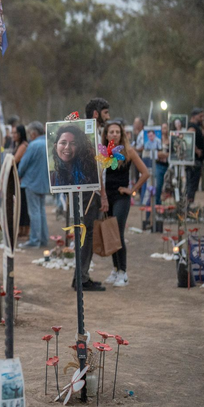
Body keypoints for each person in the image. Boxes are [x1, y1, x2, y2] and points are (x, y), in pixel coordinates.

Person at [102, 121, 149, 287]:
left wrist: (132, 190)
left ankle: (123, 272)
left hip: (122, 196)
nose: (114, 134)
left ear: (121, 134)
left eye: (117, 132)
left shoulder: (128, 151)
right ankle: (115, 269)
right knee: (110, 233)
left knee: (118, 231)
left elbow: (145, 173)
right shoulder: (104, 152)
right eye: (111, 132)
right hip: (107, 197)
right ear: (106, 135)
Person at [76, 98, 112, 292]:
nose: (108, 117)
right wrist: (103, 194)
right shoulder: (89, 133)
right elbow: (95, 167)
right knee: (87, 233)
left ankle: (81, 276)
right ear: (96, 113)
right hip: (90, 189)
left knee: (87, 233)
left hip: (91, 188)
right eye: (106, 113)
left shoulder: (93, 132)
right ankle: (82, 278)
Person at [16, 121, 50, 248]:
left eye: (30, 133)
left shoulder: (33, 145)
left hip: (32, 182)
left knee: (34, 212)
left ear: (34, 133)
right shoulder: (48, 144)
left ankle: (34, 240)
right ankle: (44, 239)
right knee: (41, 211)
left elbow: (23, 164)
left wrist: (19, 174)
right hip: (44, 183)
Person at [49, 124, 99, 188]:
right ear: (56, 147)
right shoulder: (53, 177)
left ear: (80, 147)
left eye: (73, 143)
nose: (67, 147)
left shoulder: (90, 173)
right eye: (63, 143)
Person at [12, 125, 30, 238]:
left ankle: (25, 229)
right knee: (20, 205)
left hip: (21, 179)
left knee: (23, 205)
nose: (13, 135)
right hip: (17, 178)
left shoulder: (23, 146)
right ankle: (21, 228)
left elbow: (15, 159)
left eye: (15, 133)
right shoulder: (17, 145)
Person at [187, 108, 204, 204]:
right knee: (191, 184)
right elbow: (188, 139)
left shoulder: (199, 127)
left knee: (194, 185)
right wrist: (196, 150)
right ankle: (187, 205)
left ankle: (189, 204)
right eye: (200, 116)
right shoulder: (192, 126)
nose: (202, 118)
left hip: (198, 160)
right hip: (193, 161)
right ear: (194, 116)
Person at [155, 123, 170, 206]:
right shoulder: (158, 140)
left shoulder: (170, 140)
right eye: (163, 128)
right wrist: (166, 154)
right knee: (159, 184)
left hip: (168, 166)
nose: (165, 130)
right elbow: (157, 154)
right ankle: (158, 203)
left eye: (166, 128)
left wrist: (164, 154)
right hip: (159, 165)